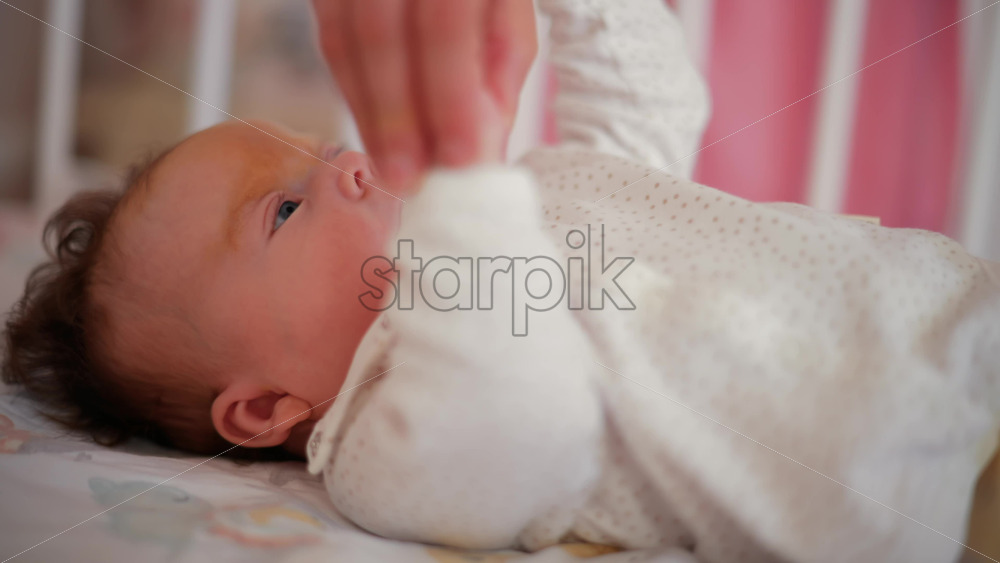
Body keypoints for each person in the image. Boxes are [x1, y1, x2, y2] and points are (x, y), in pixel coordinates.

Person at [3, 0, 998, 561]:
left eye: (316, 148)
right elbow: (528, 422)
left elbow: (650, 111)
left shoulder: (519, 192)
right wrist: (459, 174)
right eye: (288, 207)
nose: (346, 161)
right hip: (924, 479)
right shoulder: (383, 438)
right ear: (265, 405)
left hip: (962, 318)